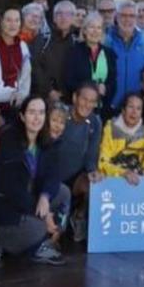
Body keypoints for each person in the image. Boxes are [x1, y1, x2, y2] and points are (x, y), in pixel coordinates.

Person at [0, 95, 69, 267]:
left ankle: (41, 240)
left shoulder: (46, 140)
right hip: (5, 206)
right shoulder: (9, 139)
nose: (37, 118)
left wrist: (45, 196)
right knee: (38, 228)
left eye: (41, 112)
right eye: (31, 112)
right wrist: (43, 214)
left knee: (63, 192)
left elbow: (53, 175)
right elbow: (12, 190)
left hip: (30, 199)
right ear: (22, 116)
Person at [50, 83, 102, 244]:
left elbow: (91, 155)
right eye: (84, 99)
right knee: (53, 236)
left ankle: (78, 216)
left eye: (92, 101)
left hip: (75, 177)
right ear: (74, 98)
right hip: (52, 175)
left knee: (94, 183)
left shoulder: (95, 122)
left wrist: (92, 171)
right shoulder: (60, 115)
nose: (87, 104)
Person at [107, 0, 144, 112]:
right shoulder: (106, 40)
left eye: (131, 16)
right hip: (110, 103)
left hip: (136, 106)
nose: (127, 19)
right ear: (117, 17)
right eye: (123, 15)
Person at [64, 12, 117, 115]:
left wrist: (106, 88)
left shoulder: (109, 54)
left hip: (102, 109)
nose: (95, 31)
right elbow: (69, 81)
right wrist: (90, 88)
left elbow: (113, 83)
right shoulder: (74, 52)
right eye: (91, 27)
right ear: (84, 30)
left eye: (98, 28)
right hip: (79, 108)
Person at [0, 7, 32, 122]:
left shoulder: (23, 46)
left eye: (17, 20)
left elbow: (25, 78)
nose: (13, 24)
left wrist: (21, 95)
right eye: (9, 20)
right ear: (1, 22)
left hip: (17, 105)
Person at [99, 92, 144, 181]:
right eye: (131, 107)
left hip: (139, 178)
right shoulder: (110, 128)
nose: (134, 112)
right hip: (114, 179)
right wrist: (123, 173)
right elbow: (103, 161)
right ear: (123, 110)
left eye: (138, 109)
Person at [32, 0, 77, 103]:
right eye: (59, 14)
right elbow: (35, 66)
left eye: (68, 14)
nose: (63, 17)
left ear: (73, 18)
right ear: (53, 18)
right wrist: (49, 90)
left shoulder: (76, 42)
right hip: (43, 97)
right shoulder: (43, 40)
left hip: (68, 98)